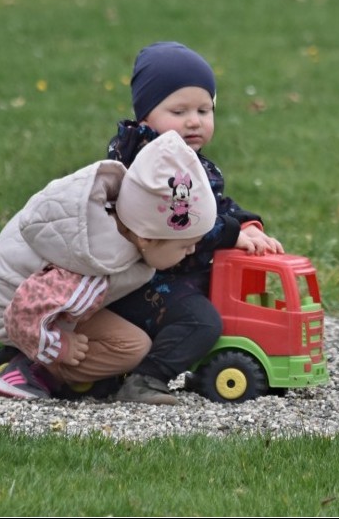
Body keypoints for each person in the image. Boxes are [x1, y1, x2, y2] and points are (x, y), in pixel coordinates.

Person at [0, 130, 216, 403]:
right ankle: (32, 371)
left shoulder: (122, 218)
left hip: (38, 295)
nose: (191, 251)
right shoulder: (94, 264)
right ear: (147, 239)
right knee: (131, 347)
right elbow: (23, 313)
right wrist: (59, 346)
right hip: (14, 309)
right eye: (184, 246)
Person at [105, 41, 284, 405]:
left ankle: (205, 368)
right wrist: (230, 234)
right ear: (145, 117)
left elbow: (213, 205)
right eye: (179, 110)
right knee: (202, 321)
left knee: (223, 304)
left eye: (204, 110)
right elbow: (179, 221)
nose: (194, 121)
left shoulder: (187, 160)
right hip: (146, 278)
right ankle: (146, 379)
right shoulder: (151, 166)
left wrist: (245, 223)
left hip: (178, 270)